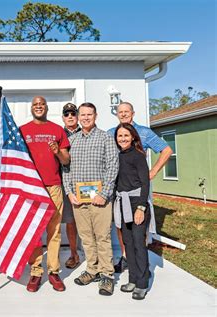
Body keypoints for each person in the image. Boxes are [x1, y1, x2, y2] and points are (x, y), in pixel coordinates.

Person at [108, 101, 172, 273]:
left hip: (139, 189)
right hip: (119, 189)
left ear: (133, 113)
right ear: (117, 114)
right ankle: (126, 257)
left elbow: (166, 150)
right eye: (120, 112)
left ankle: (141, 260)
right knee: (121, 225)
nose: (123, 114)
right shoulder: (111, 133)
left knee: (139, 227)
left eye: (126, 111)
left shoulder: (144, 132)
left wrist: (153, 172)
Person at [63, 102, 119, 296]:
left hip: (100, 200)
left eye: (89, 114)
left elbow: (113, 167)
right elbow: (66, 169)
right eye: (83, 115)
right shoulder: (73, 140)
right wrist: (69, 192)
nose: (86, 118)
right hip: (79, 200)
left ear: (95, 116)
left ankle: (107, 275)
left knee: (102, 237)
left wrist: (104, 194)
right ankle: (92, 269)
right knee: (86, 238)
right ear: (78, 117)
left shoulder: (106, 138)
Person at [19, 96, 70, 292]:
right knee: (33, 232)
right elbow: (13, 155)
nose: (38, 107)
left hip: (53, 186)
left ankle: (54, 272)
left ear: (46, 107)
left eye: (41, 104)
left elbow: (66, 160)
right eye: (35, 105)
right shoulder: (23, 131)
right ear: (31, 108)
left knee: (54, 230)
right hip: (31, 187)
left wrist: (58, 151)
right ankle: (36, 271)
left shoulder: (57, 129)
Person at [114, 123, 151, 300]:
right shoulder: (117, 156)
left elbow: (145, 183)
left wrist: (141, 208)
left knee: (138, 243)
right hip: (123, 204)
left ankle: (142, 283)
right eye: (120, 136)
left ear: (133, 137)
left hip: (137, 204)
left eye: (126, 136)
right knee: (128, 243)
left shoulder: (138, 156)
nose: (123, 139)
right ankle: (133, 279)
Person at [60, 103, 81, 270]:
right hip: (63, 183)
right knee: (70, 221)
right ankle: (74, 254)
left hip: (84, 183)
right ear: (63, 117)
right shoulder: (58, 134)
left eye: (73, 113)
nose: (70, 116)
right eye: (67, 114)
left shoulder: (86, 133)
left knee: (90, 222)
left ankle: (95, 255)